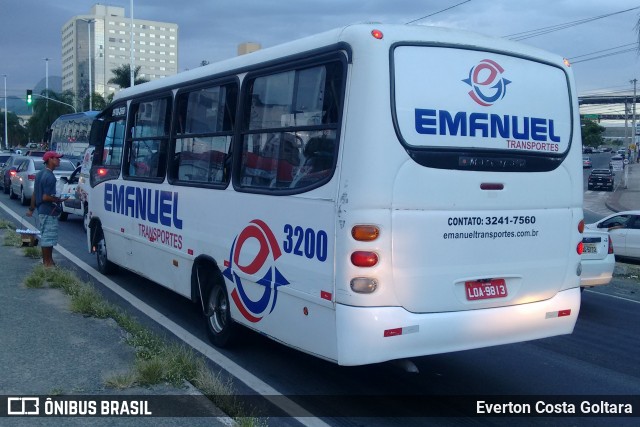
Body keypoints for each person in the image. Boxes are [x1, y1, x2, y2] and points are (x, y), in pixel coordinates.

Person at [26, 151, 69, 267]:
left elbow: (35, 193)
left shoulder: (39, 174)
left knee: (46, 236)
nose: (59, 160)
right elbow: (45, 196)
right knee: (48, 238)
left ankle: (48, 261)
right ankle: (47, 263)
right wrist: (58, 200)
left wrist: (31, 208)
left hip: (41, 210)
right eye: (57, 158)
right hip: (48, 211)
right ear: (50, 159)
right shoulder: (50, 177)